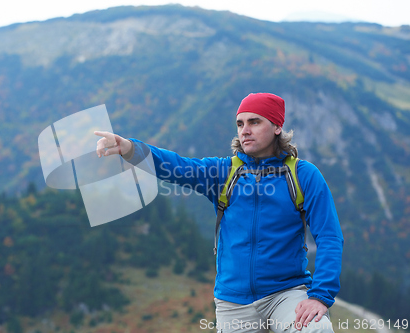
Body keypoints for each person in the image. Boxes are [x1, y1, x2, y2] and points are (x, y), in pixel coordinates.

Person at [95, 93, 343, 333]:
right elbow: (176, 166)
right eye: (240, 123)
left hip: (286, 293)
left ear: (277, 126)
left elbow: (329, 237)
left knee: (315, 329)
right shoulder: (223, 172)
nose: (244, 130)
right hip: (233, 302)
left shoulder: (303, 175)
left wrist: (320, 296)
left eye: (254, 122)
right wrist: (128, 148)